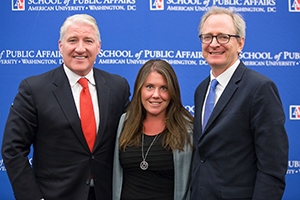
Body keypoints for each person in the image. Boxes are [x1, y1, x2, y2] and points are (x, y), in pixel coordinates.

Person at [1, 14, 130, 200]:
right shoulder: (34, 89)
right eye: (72, 40)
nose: (80, 48)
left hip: (106, 194)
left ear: (98, 46)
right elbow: (13, 149)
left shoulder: (118, 87)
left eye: (88, 40)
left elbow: (133, 135)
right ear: (60, 46)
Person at [191, 6, 289, 200]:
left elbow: (272, 167)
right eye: (207, 37)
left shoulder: (260, 89)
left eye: (223, 37)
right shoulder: (201, 90)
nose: (214, 43)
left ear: (240, 43)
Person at [112, 59, 194, 200]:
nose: (156, 95)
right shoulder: (125, 122)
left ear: (172, 92)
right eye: (149, 87)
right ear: (140, 89)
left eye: (164, 88)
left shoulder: (187, 129)